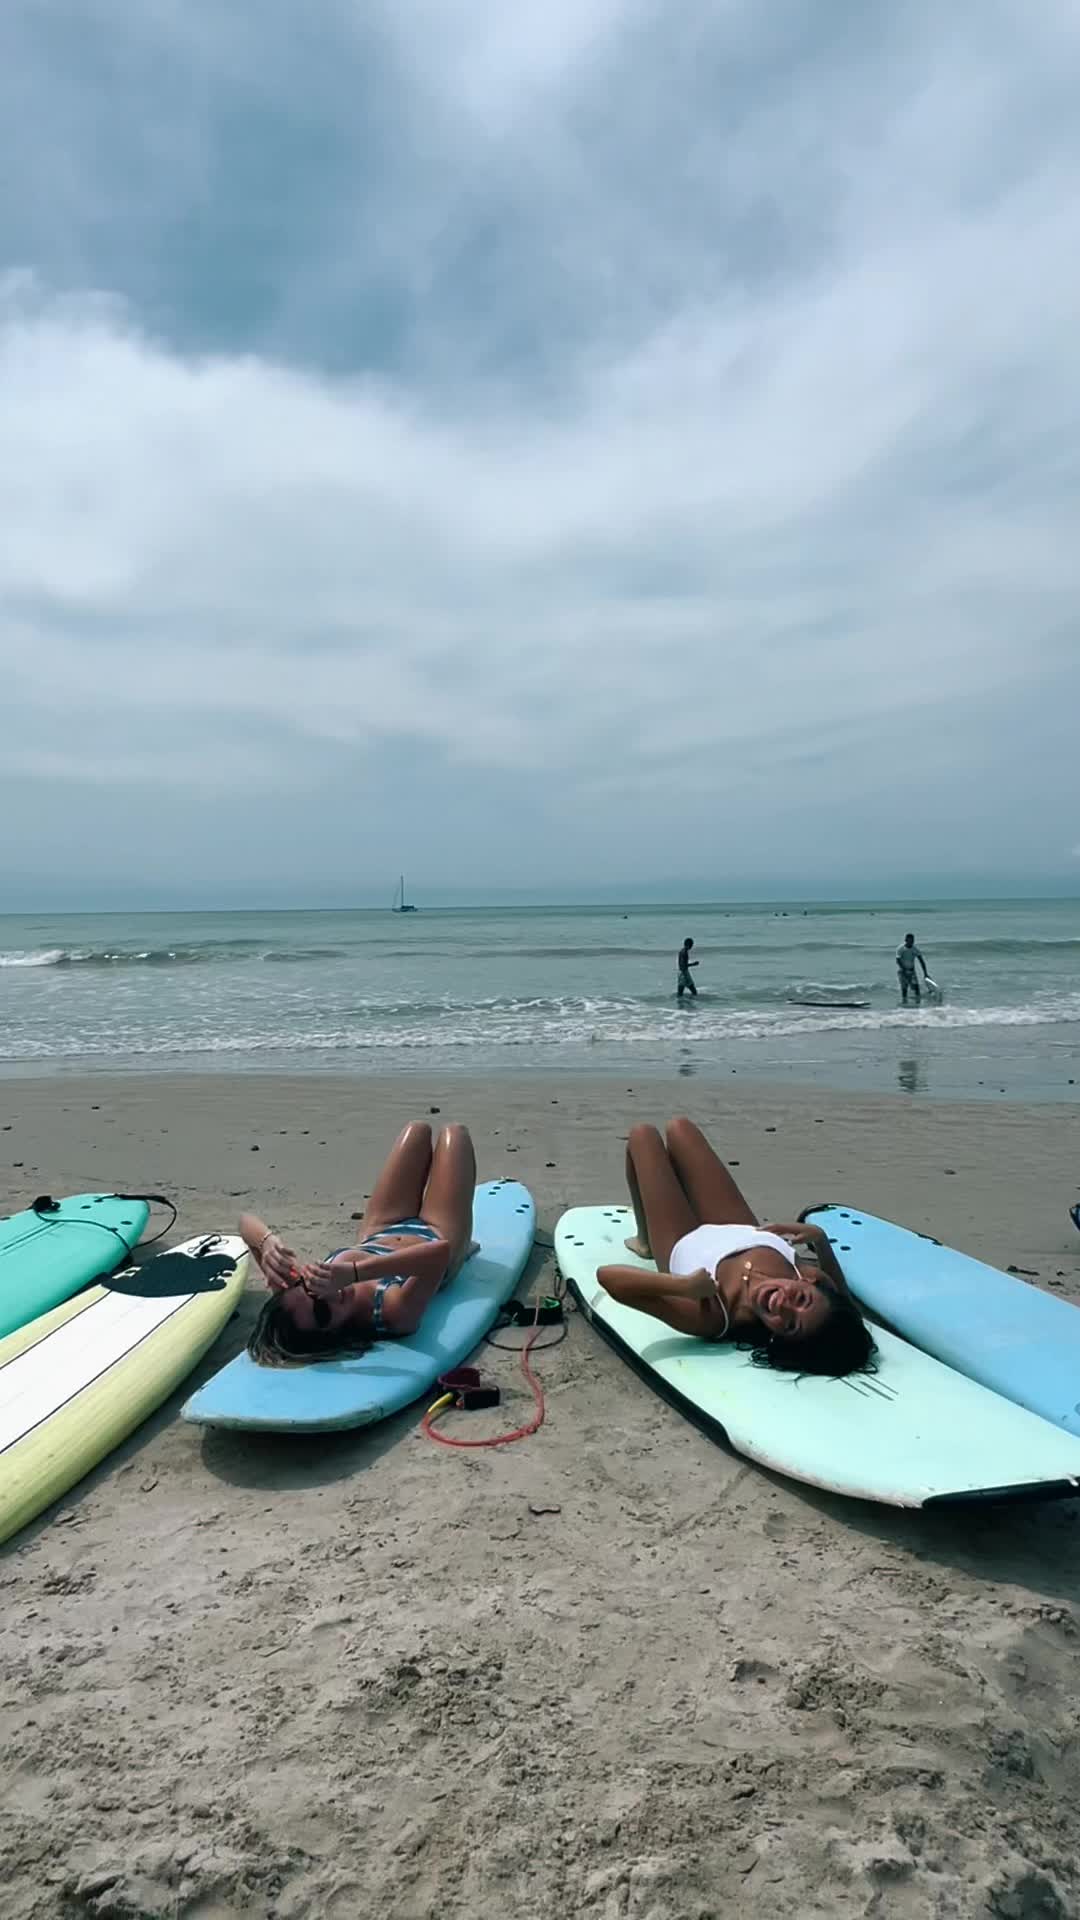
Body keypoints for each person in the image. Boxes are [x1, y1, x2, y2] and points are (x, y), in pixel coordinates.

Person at [597, 1117, 876, 1377]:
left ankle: (645, 1241)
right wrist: (820, 1240)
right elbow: (846, 1306)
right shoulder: (811, 1276)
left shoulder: (712, 1315)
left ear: (779, 1339)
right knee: (679, 1128)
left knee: (643, 1136)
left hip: (681, 1240)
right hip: (741, 1227)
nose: (783, 1306)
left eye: (790, 1325)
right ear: (811, 1285)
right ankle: (644, 1237)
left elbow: (608, 1277)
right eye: (801, 1300)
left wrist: (683, 1287)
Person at [240, 1121, 476, 1366]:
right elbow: (439, 1254)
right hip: (436, 1232)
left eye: (311, 1288)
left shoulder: (299, 1302)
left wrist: (266, 1243)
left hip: (380, 1228)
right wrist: (354, 1273)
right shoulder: (392, 1313)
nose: (329, 1295)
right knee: (455, 1134)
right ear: (329, 1338)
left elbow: (244, 1223)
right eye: (323, 1313)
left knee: (417, 1131)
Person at [896, 932, 929, 1005]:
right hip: (902, 971)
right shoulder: (901, 948)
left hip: (912, 971)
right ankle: (904, 1004)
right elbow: (898, 960)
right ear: (906, 940)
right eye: (909, 940)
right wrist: (904, 970)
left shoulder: (915, 949)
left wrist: (925, 973)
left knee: (916, 988)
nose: (911, 942)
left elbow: (921, 961)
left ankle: (917, 1004)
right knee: (904, 989)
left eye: (912, 941)